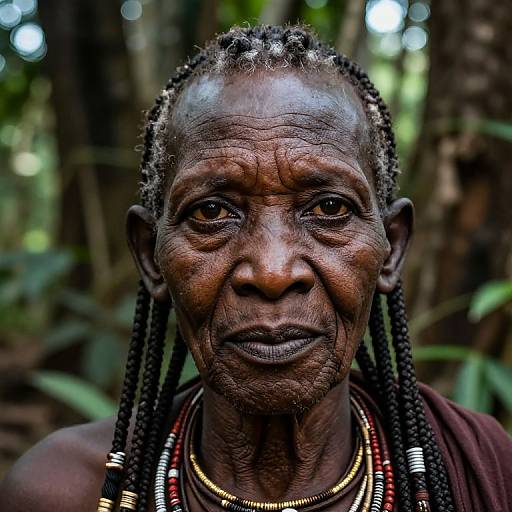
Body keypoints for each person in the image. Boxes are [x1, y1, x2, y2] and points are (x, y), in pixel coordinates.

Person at [1, 24, 511, 512]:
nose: (271, 272)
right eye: (212, 212)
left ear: (391, 248)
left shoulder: (485, 472)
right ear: (151, 256)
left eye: (329, 209)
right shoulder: (63, 493)